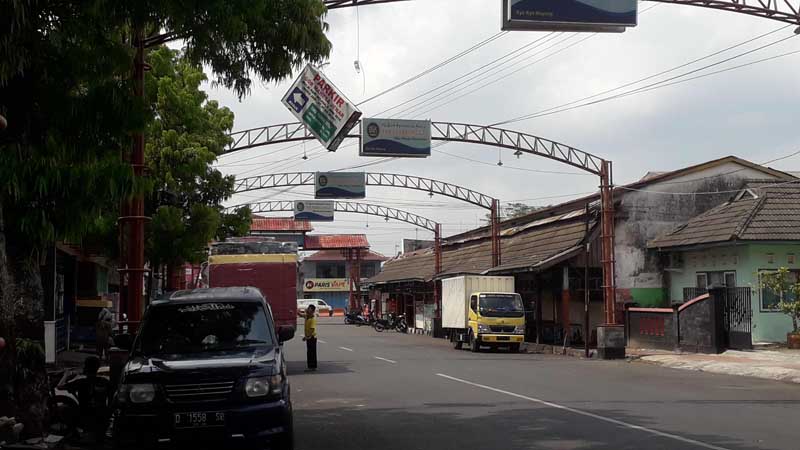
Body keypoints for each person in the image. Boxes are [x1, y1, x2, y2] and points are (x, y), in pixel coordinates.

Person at [303, 304, 318, 371]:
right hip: (308, 337)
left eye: (309, 309)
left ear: (312, 311)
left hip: (312, 337)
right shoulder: (307, 316)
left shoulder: (312, 319)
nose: (307, 309)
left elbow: (312, 330)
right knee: (309, 352)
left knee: (312, 353)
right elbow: (301, 315)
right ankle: (311, 367)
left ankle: (312, 367)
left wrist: (307, 337)